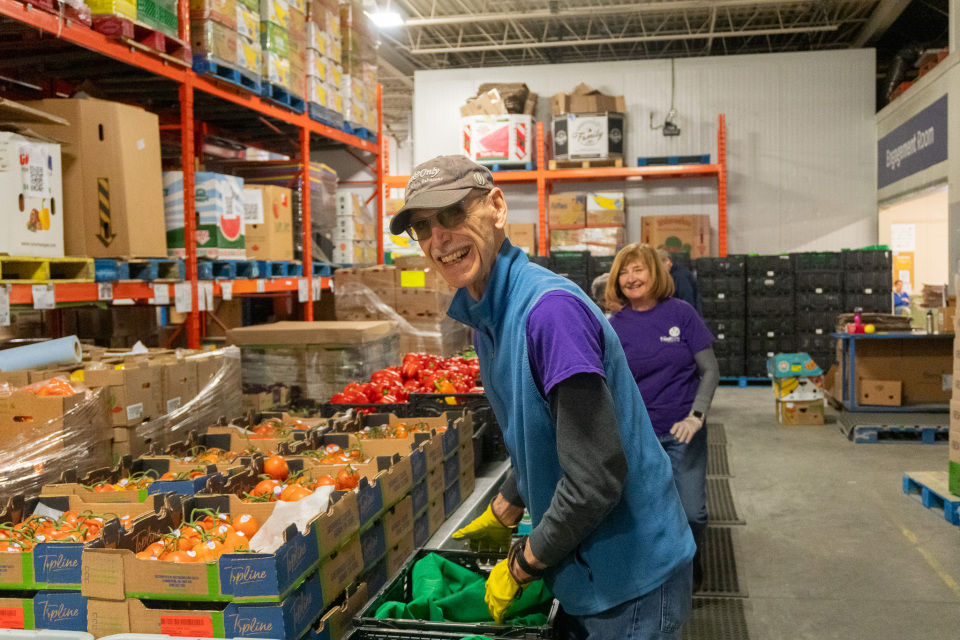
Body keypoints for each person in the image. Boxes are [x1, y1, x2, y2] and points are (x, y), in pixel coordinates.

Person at [390, 155, 695, 639]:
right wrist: (507, 504)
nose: (437, 239)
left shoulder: (550, 315)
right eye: (422, 228)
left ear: (496, 207)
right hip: (587, 570)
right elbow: (544, 430)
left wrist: (522, 565)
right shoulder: (488, 317)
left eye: (451, 215)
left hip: (629, 580)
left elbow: (596, 478)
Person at [606, 244, 720, 593]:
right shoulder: (613, 326)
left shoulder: (681, 314)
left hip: (682, 433)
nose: (631, 278)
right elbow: (607, 383)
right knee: (643, 511)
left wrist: (696, 415)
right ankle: (658, 574)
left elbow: (710, 369)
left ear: (655, 272)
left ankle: (691, 557)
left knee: (691, 513)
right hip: (638, 437)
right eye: (624, 272)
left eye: (638, 269)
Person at [658, 249, 702, 315]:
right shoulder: (669, 276)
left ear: (667, 261)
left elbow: (687, 302)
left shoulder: (681, 276)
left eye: (658, 266)